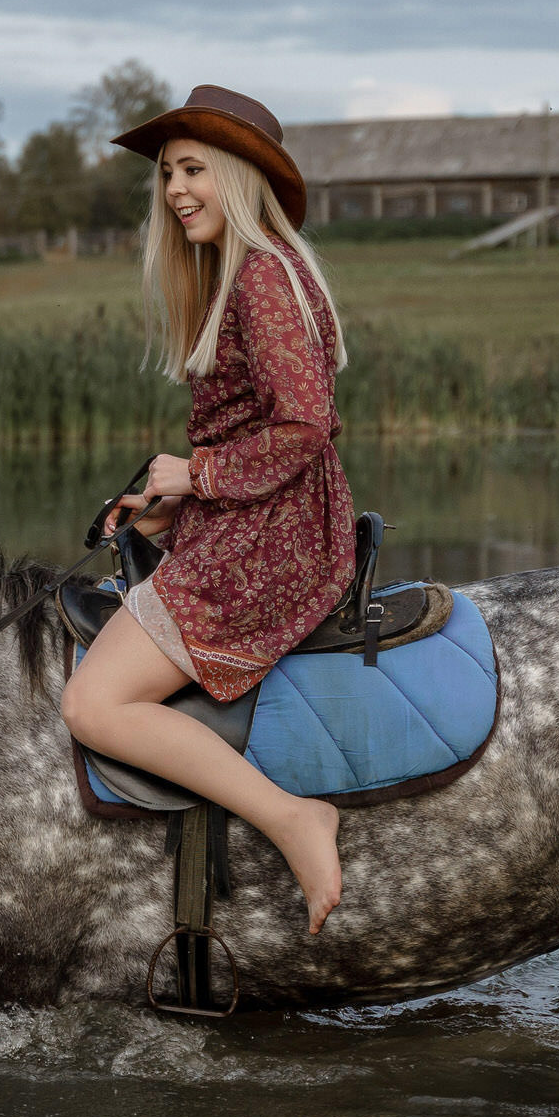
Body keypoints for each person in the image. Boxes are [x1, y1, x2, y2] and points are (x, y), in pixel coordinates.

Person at [60, 85, 356, 933]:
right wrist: (169, 512)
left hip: (275, 537)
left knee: (93, 704)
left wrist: (196, 475)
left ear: (236, 174)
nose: (176, 190)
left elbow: (303, 426)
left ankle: (293, 816)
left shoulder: (263, 275)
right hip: (258, 519)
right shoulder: (249, 275)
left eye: (193, 169)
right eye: (167, 175)